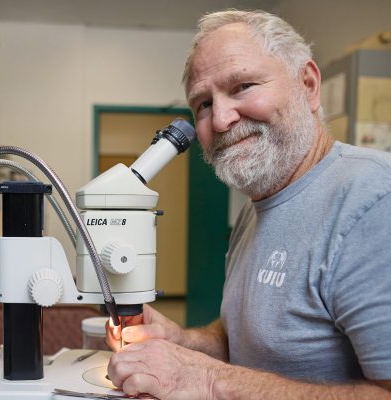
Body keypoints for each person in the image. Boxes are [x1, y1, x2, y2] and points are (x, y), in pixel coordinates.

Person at [106, 9, 391, 400]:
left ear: (307, 85)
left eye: (242, 86)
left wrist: (208, 381)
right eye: (203, 104)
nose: (221, 119)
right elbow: (248, 340)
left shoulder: (373, 200)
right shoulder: (256, 210)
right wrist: (183, 340)